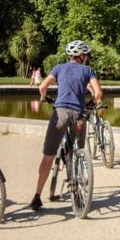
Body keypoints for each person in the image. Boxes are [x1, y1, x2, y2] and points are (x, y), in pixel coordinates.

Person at [29, 40, 102, 211]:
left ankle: (37, 197)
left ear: (69, 55)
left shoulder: (59, 68)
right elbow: (98, 93)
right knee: (78, 150)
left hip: (60, 113)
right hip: (79, 115)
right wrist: (90, 103)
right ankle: (77, 187)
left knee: (48, 155)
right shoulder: (87, 70)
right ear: (82, 56)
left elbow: (42, 87)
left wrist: (44, 98)